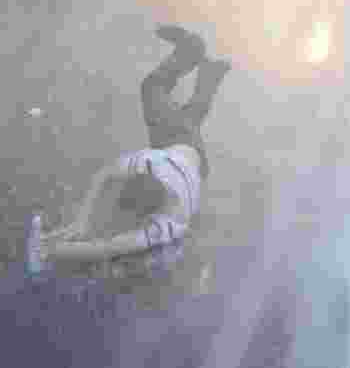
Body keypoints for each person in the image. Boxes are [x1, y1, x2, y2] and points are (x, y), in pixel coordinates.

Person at [33, 25, 231, 279]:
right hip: (175, 141)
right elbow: (106, 244)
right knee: (152, 89)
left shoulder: (171, 223)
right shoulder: (152, 166)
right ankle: (189, 54)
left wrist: (64, 240)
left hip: (195, 165)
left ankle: (207, 71)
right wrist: (66, 239)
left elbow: (107, 243)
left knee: (189, 114)